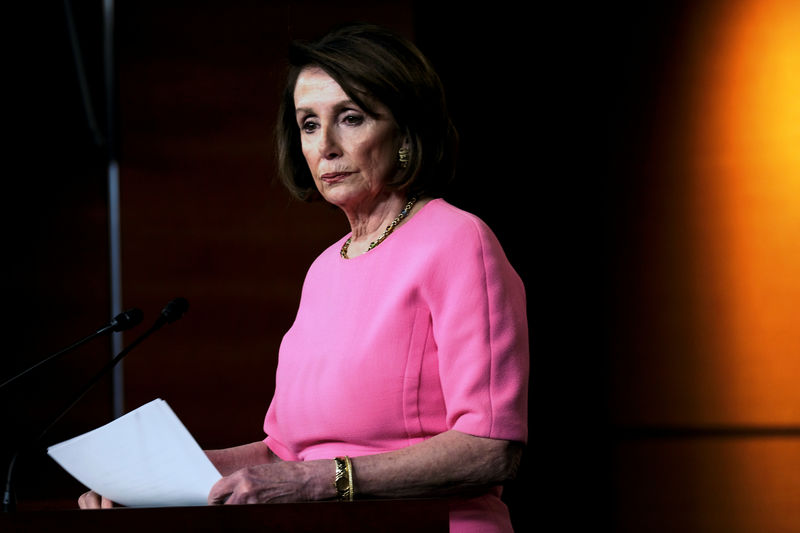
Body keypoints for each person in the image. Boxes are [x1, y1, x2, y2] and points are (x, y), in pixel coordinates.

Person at [80, 23, 529, 532]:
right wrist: (147, 482)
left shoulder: (457, 241)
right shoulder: (323, 268)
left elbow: (490, 450)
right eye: (309, 124)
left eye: (352, 118)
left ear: (406, 132)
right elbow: (282, 457)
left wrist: (320, 481)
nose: (326, 147)